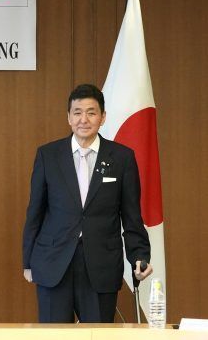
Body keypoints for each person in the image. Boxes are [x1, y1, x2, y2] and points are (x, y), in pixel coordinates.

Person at [22, 83, 153, 323]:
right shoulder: (48, 155)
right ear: (69, 117)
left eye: (91, 112)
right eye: (78, 112)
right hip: (53, 263)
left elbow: (132, 216)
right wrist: (28, 262)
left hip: (101, 265)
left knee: (98, 336)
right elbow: (35, 212)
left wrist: (140, 255)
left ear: (103, 117)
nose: (84, 119)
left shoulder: (122, 158)